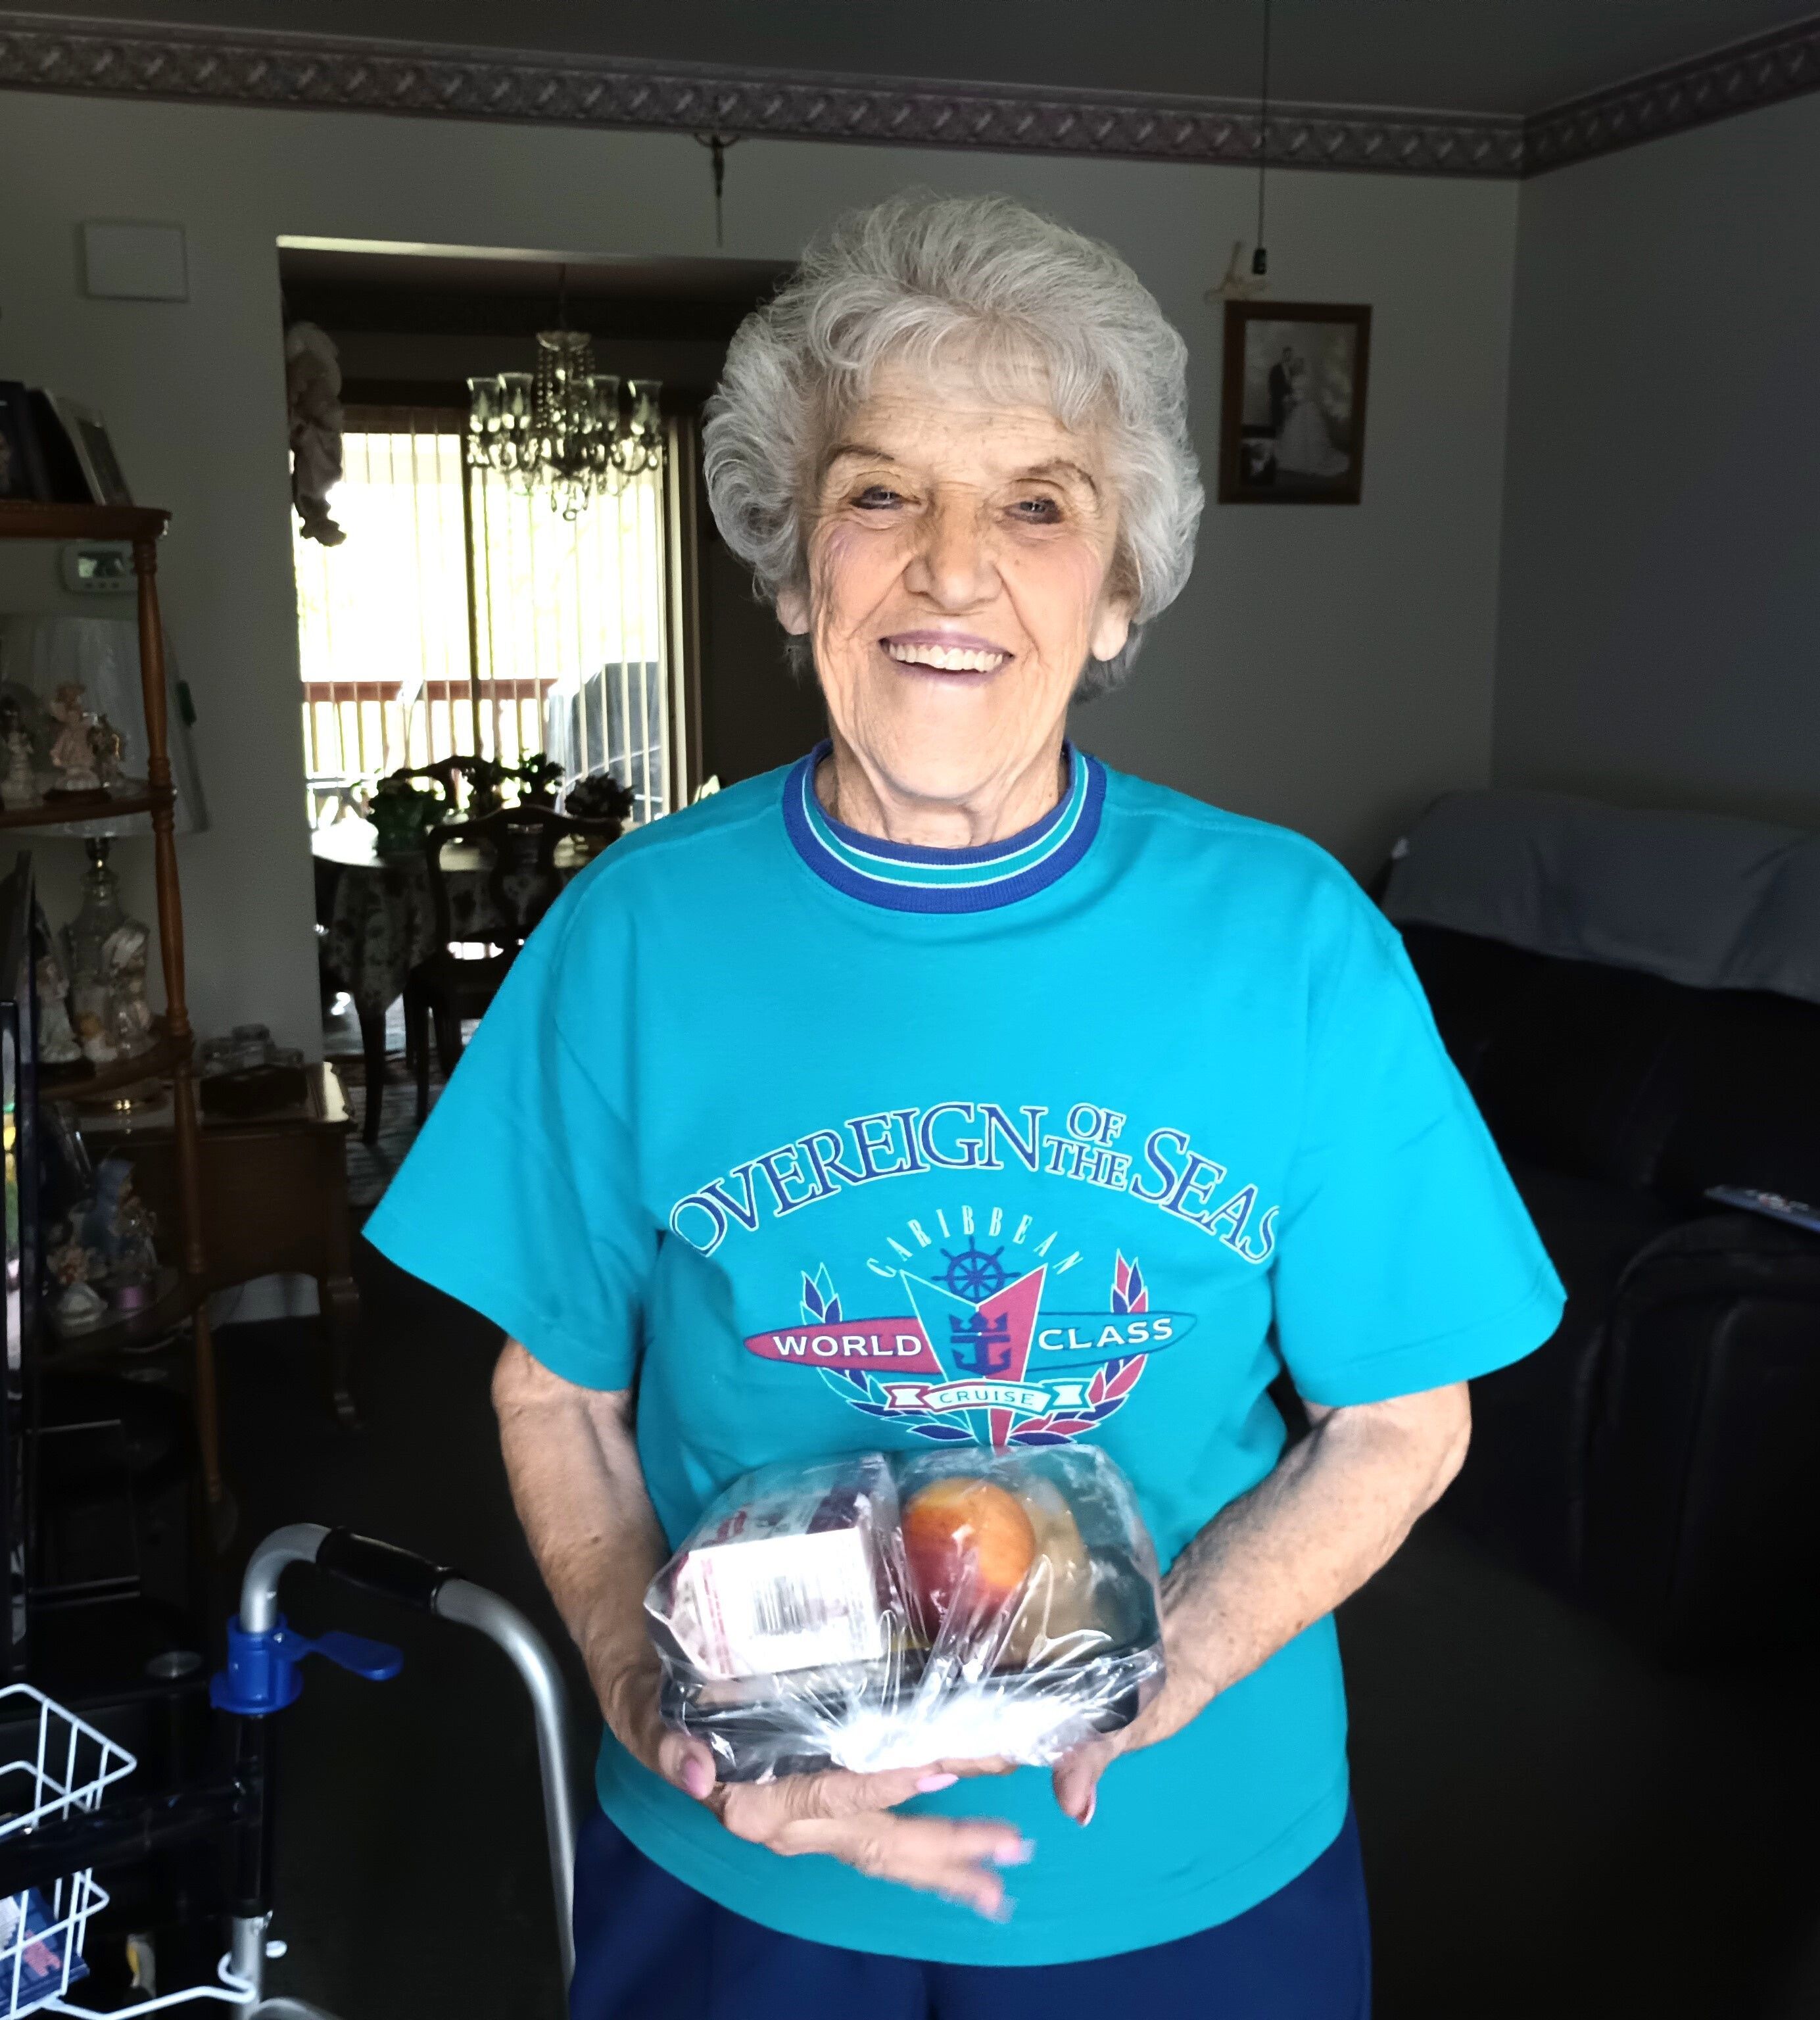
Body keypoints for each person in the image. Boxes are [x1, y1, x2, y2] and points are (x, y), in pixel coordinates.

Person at [368, 191, 1563, 2020]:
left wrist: (1176, 1661)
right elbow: (561, 1401)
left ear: (1116, 592)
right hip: (737, 1872)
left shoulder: (1294, 941)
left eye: (1035, 504)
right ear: (790, 569)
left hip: (1178, 1870)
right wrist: (650, 1701)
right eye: (879, 494)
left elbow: (1398, 1425)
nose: (949, 568)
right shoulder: (634, 936)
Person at [1275, 352, 1351, 479]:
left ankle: (1309, 462)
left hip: (1306, 407)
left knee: (1309, 434)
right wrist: (1291, 399)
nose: (1298, 367)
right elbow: (1297, 394)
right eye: (1296, 365)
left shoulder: (1303, 379)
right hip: (1300, 408)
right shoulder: (1295, 379)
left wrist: (1294, 398)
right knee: (1296, 434)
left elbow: (1305, 393)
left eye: (1299, 365)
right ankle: (1298, 461)